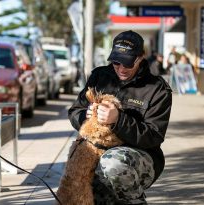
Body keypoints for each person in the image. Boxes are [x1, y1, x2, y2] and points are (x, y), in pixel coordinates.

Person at [68, 30, 172, 204]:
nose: (121, 69)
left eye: (128, 64)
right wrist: (85, 116)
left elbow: (154, 136)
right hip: (99, 149)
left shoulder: (157, 89)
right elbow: (74, 111)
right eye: (116, 62)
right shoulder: (99, 76)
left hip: (140, 155)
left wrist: (118, 120)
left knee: (111, 163)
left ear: (140, 58)